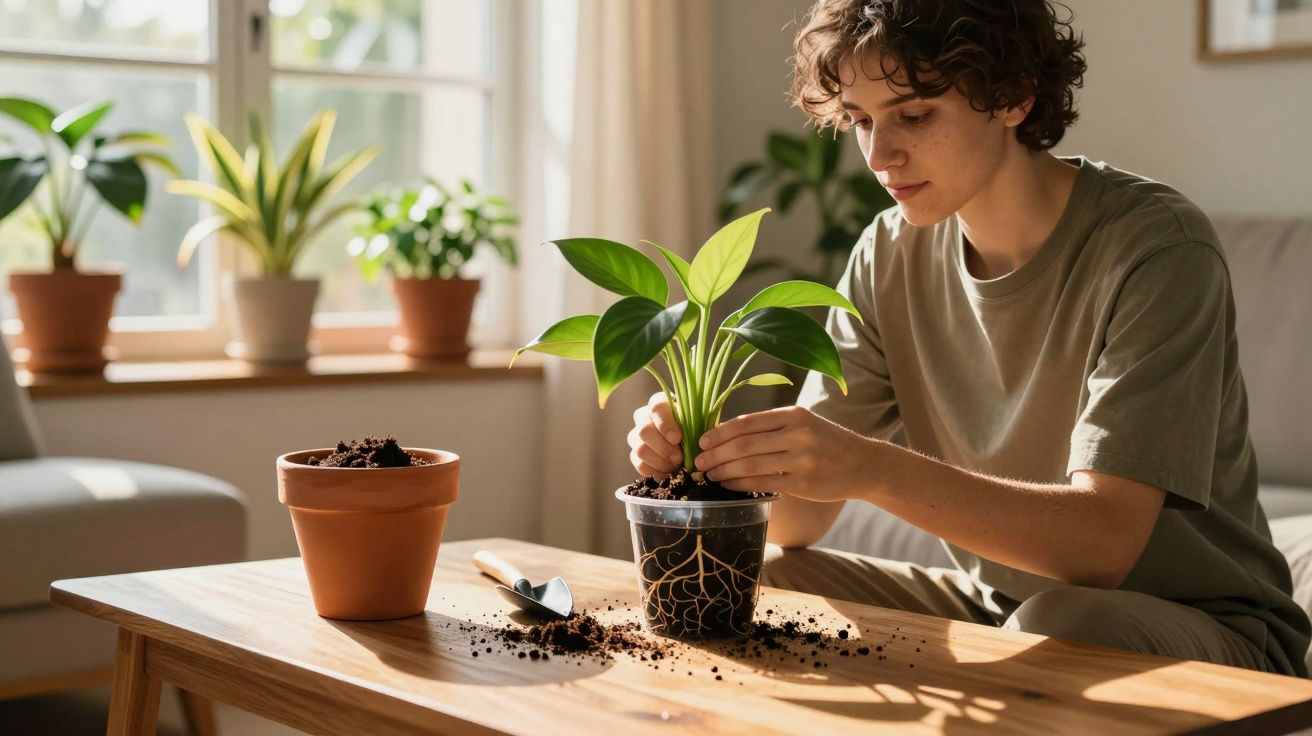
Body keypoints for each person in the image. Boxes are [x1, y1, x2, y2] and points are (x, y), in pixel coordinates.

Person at [626, 0, 1309, 676]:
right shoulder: (886, 253)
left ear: (1012, 97)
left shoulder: (1156, 247)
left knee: (1061, 622)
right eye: (861, 121)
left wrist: (871, 466)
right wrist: (702, 462)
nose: (879, 156)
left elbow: (1103, 545)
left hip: (1210, 630)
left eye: (914, 116)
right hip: (1002, 604)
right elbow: (799, 521)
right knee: (766, 580)